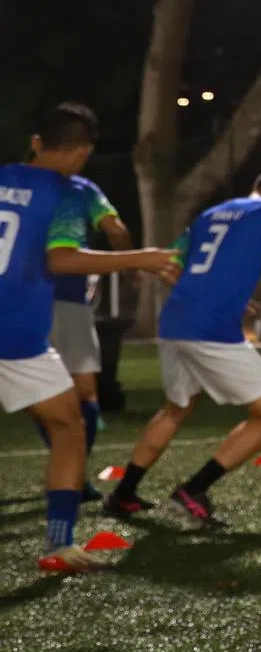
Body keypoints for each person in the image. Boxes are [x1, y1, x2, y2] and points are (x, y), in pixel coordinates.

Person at [104, 168, 261, 528]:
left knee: (177, 408)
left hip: (175, 322)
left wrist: (207, 294)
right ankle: (193, 490)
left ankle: (123, 493)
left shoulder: (211, 214)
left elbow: (169, 266)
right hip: (211, 328)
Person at [0, 102, 178, 572]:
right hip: (15, 334)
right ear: (83, 152)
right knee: (69, 426)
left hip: (23, 330)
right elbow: (61, 259)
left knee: (69, 420)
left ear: (37, 142)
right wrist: (137, 258)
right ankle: (58, 546)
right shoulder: (69, 192)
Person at [37, 167, 134, 502]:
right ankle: (72, 472)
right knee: (84, 395)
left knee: (41, 392)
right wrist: (129, 263)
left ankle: (66, 469)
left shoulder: (13, 186)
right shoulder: (80, 189)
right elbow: (116, 230)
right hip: (65, 298)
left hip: (20, 301)